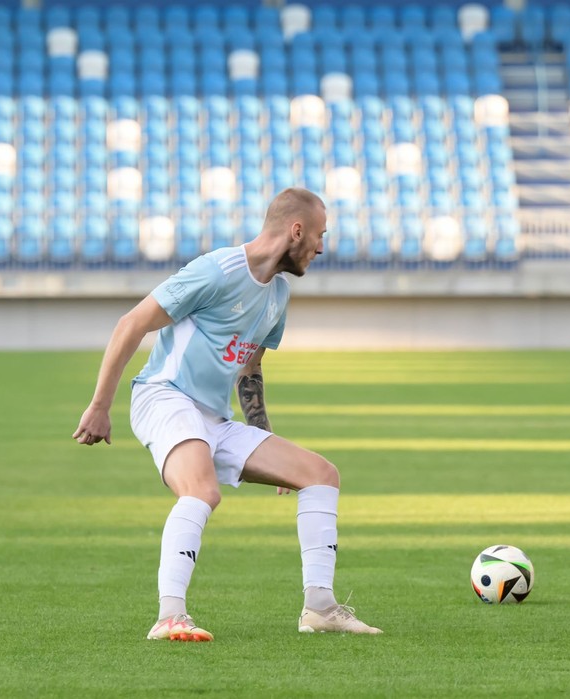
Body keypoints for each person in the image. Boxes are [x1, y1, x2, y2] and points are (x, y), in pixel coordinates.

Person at [73, 188, 381, 640]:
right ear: (296, 230)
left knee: (321, 474)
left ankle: (320, 607)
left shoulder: (278, 295)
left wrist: (264, 442)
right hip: (165, 396)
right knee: (202, 490)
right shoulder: (217, 270)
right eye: (319, 235)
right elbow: (131, 323)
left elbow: (250, 370)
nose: (320, 247)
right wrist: (100, 406)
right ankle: (169, 616)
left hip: (214, 419)